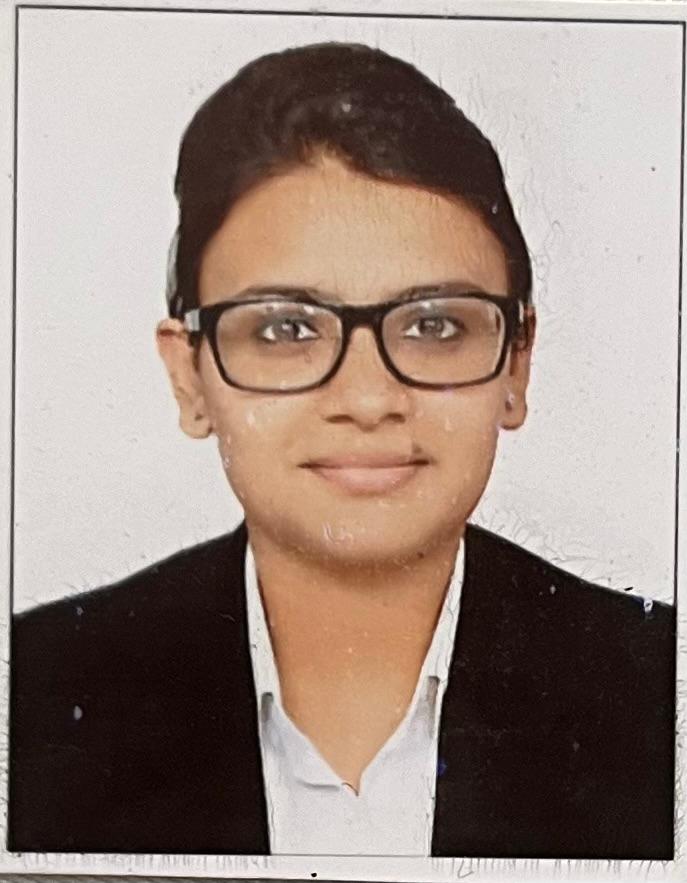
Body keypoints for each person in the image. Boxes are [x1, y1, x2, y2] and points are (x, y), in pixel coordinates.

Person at [9, 42, 675, 859]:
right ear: (190, 377)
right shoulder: (32, 694)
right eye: (286, 328)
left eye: (434, 324)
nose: (366, 399)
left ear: (516, 362)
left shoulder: (658, 689)